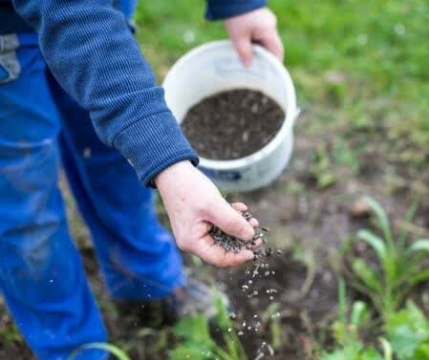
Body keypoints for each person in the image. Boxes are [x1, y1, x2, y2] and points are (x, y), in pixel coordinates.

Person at [0, 0, 284, 358]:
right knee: (26, 201)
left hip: (103, 12)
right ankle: (71, 345)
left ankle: (145, 282)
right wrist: (170, 165)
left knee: (118, 154)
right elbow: (74, 16)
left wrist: (238, 4)